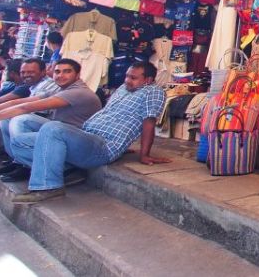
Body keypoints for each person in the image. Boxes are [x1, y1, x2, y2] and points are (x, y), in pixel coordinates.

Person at [11, 61, 169, 203]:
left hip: (102, 147)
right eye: (127, 76)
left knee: (53, 128)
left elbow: (149, 122)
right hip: (86, 136)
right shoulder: (123, 89)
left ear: (148, 80)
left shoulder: (152, 92)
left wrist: (144, 154)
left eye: (133, 78)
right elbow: (111, 113)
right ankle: (64, 169)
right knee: (18, 141)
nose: (127, 80)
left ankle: (48, 187)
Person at [0, 59, 102, 183]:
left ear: (77, 75)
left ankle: (61, 167)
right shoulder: (62, 89)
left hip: (73, 141)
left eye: (67, 72)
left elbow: (25, 107)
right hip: (58, 132)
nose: (61, 75)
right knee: (7, 119)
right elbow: (17, 102)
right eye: (57, 72)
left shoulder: (78, 92)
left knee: (21, 121)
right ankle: (21, 163)